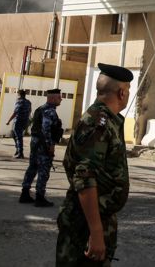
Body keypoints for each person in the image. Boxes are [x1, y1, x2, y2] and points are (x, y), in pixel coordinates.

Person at [56, 63, 133, 266]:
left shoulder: (107, 121)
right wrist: (96, 232)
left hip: (95, 219)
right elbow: (84, 177)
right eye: (128, 90)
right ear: (122, 93)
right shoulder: (98, 123)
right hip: (84, 224)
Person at [19, 89, 63, 207]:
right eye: (59, 97)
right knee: (43, 170)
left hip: (35, 143)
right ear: (53, 98)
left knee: (32, 167)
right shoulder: (50, 111)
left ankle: (25, 193)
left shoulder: (41, 109)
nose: (61, 99)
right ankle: (40, 197)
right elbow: (46, 129)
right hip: (43, 145)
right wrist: (50, 145)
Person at [6, 90, 32, 158]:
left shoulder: (19, 102)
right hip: (25, 121)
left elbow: (15, 113)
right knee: (15, 135)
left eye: (17, 94)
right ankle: (18, 150)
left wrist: (9, 121)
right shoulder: (28, 102)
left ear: (19, 95)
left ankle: (20, 153)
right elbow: (30, 111)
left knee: (18, 136)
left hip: (18, 121)